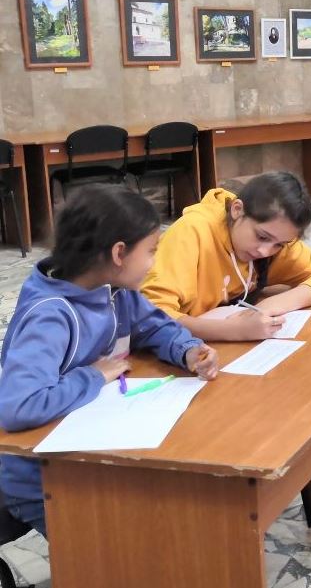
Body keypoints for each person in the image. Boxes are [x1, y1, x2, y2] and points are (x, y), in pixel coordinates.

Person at [0, 185, 219, 538]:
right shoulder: (49, 316)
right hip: (42, 478)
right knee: (122, 546)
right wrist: (92, 376)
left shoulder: (114, 290)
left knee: (169, 515)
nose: (153, 263)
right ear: (119, 253)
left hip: (93, 451)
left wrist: (188, 349)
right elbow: (20, 406)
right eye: (151, 251)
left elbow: (155, 327)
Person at [141, 171, 311, 341]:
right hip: (177, 350)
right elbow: (152, 316)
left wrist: (271, 306)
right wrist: (235, 331)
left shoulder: (277, 235)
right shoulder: (192, 232)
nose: (265, 251)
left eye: (278, 245)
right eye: (261, 237)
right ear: (237, 210)